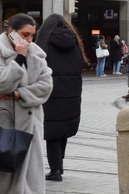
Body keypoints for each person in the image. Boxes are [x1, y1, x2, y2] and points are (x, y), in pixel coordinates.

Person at [0, 13, 53, 193]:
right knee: (2, 178)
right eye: (25, 35)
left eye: (32, 35)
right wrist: (19, 58)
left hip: (31, 125)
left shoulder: (37, 53)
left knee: (31, 179)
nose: (29, 40)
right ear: (11, 32)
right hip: (3, 125)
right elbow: (1, 84)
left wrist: (20, 94)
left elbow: (46, 86)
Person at [35, 14, 85, 182]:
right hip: (71, 95)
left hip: (52, 94)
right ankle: (59, 165)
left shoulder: (44, 44)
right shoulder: (75, 43)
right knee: (61, 130)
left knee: (52, 132)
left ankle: (55, 170)